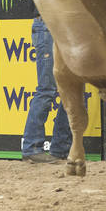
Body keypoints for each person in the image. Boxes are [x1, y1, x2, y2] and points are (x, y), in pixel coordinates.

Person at [22, 12, 72, 163]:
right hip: (49, 24)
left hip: (65, 28)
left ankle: (60, 149)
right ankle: (32, 148)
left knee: (71, 92)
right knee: (47, 90)